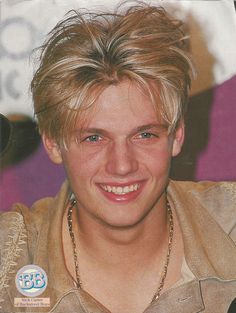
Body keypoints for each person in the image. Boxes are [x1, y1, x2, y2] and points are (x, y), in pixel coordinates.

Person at [0, 3, 235, 313]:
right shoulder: (9, 258)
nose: (122, 165)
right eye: (94, 138)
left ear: (177, 135)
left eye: (144, 135)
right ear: (53, 143)